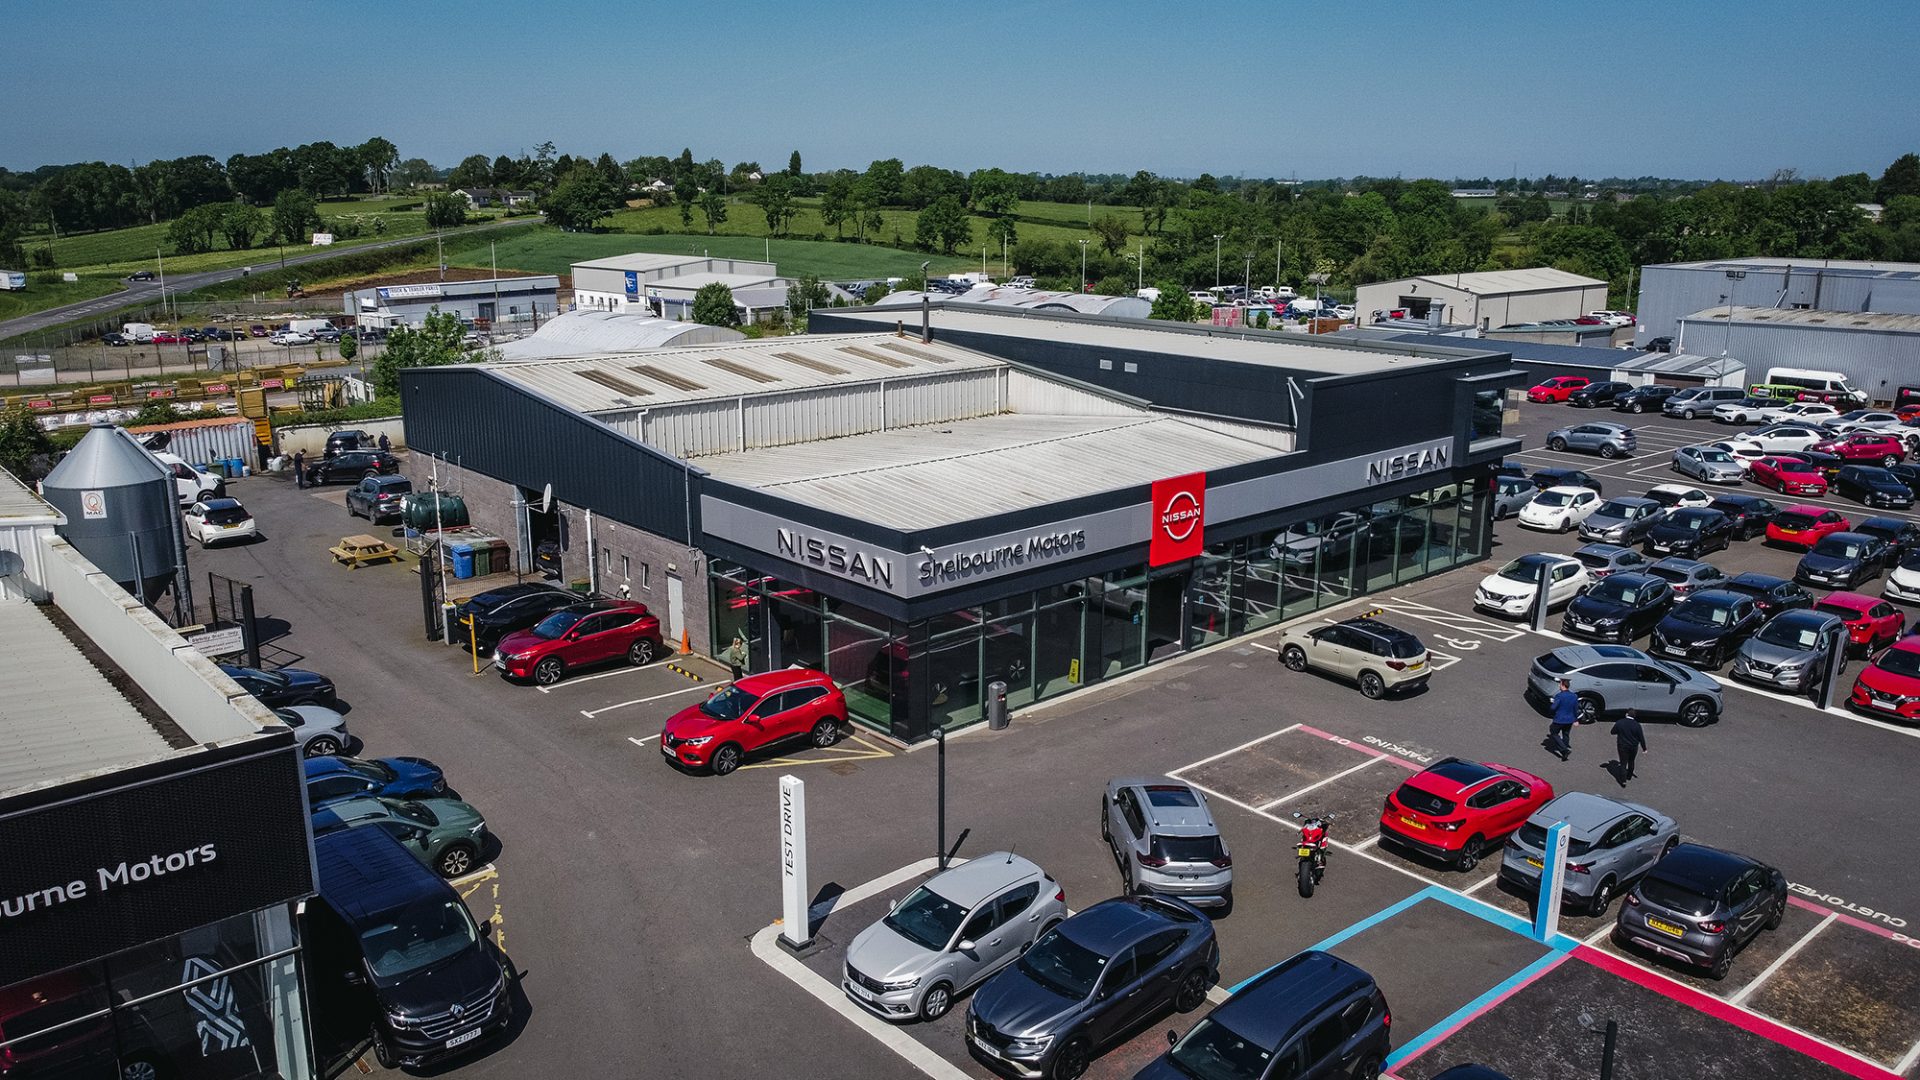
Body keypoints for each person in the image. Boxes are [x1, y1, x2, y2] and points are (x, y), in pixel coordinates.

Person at [1612, 710, 1648, 781]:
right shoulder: (1637, 725)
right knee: (1631, 761)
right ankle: (1629, 776)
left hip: (1622, 746)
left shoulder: (1620, 722)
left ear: (1626, 714)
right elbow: (1641, 738)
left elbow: (1612, 732)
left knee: (1623, 762)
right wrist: (1644, 748)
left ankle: (1623, 780)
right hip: (1633, 747)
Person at [1547, 678, 1578, 761]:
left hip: (1560, 719)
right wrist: (1576, 719)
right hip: (1569, 719)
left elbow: (1553, 707)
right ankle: (1566, 746)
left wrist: (1551, 707)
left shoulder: (1559, 696)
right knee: (1566, 733)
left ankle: (1564, 750)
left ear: (1563, 685)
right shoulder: (1574, 696)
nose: (1559, 686)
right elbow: (1576, 708)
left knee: (1553, 732)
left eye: (1560, 684)